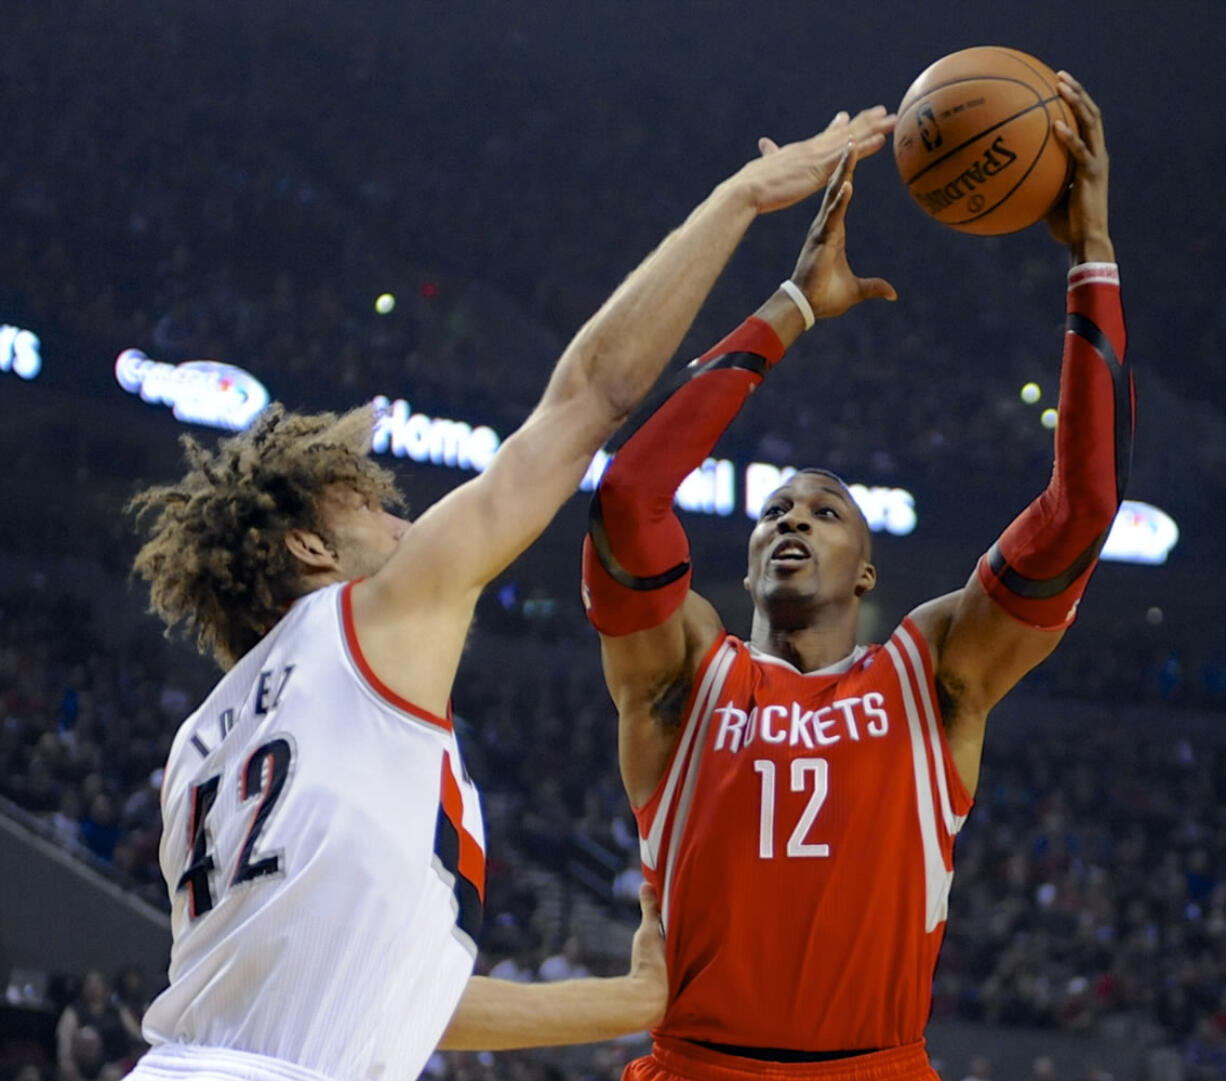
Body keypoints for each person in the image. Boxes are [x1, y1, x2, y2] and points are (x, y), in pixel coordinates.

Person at [123, 106, 898, 1081]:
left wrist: (631, 1002)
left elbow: (393, 1004)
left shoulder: (205, 739)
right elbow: (587, 400)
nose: (407, 527)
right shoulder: (372, 616)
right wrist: (741, 201)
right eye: (371, 507)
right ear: (309, 545)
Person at [581, 74, 1129, 1081]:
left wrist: (1088, 253)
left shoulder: (929, 673)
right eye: (773, 510)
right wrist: (791, 307)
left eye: (823, 509)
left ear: (866, 567)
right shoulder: (678, 679)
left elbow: (1081, 508)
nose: (791, 515)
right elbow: (628, 497)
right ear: (745, 554)